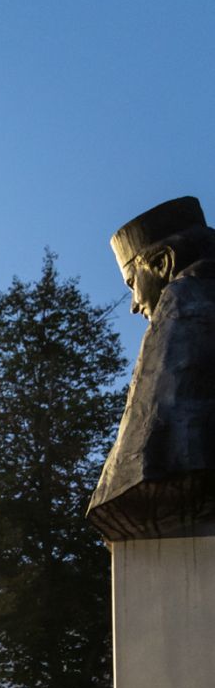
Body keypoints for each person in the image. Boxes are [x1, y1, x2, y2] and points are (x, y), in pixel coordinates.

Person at [88, 196, 215, 541]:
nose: (133, 305)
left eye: (132, 282)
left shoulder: (184, 300)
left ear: (162, 262)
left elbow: (145, 461)